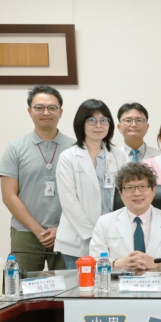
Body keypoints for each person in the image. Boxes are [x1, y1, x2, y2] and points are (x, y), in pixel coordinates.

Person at [0, 85, 76, 271]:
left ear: (61, 112)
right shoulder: (15, 148)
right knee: (22, 284)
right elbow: (9, 196)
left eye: (52, 108)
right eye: (39, 107)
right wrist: (37, 230)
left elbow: (83, 194)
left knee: (70, 284)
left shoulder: (76, 148)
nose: (46, 112)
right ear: (30, 111)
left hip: (67, 230)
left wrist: (62, 228)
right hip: (26, 232)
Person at [54, 99, 129, 268]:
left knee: (111, 283)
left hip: (113, 236)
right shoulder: (68, 157)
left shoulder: (119, 155)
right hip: (78, 240)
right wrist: (92, 235)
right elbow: (68, 201)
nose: (99, 125)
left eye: (104, 120)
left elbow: (125, 194)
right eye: (92, 120)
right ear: (81, 123)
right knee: (80, 283)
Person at [89, 163, 161, 273]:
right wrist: (120, 263)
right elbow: (93, 263)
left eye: (143, 187)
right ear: (120, 193)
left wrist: (158, 264)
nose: (137, 193)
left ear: (153, 190)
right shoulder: (104, 222)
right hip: (118, 283)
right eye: (130, 188)